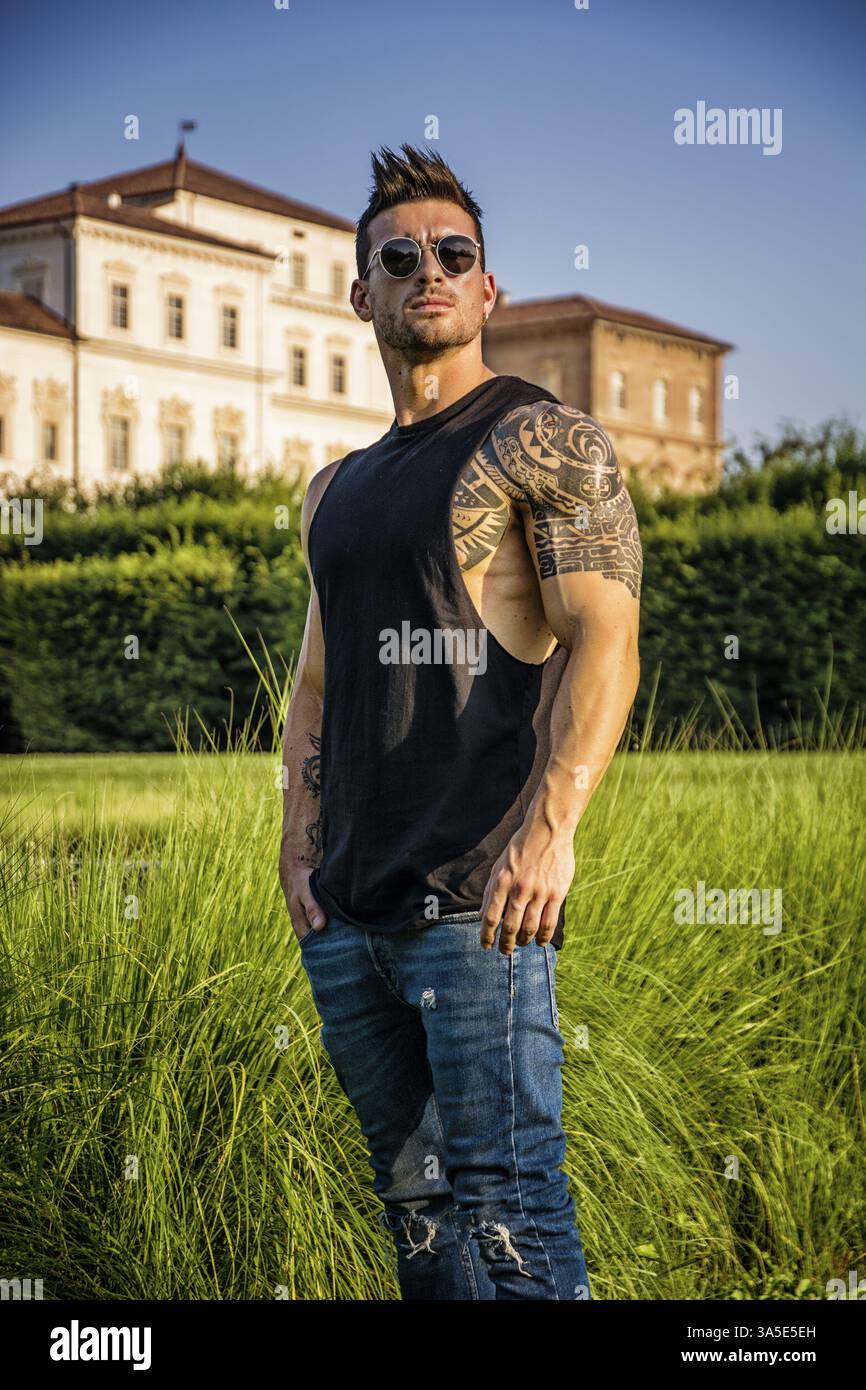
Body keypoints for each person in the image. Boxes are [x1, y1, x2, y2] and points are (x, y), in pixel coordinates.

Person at [279, 143, 642, 1300]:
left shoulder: (545, 441)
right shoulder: (330, 488)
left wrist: (552, 829)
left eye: (452, 254)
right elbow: (317, 682)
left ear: (487, 289)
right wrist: (297, 838)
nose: (425, 270)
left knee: (508, 1203)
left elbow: (606, 639)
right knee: (418, 1209)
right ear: (361, 294)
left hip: (475, 900)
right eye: (398, 256)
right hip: (346, 911)